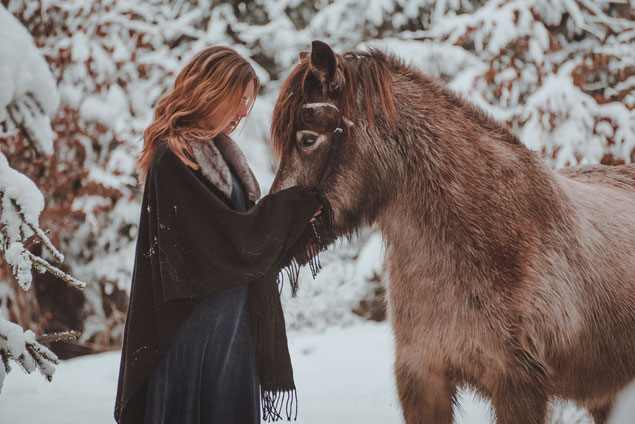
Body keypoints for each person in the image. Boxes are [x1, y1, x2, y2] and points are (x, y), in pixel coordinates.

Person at [114, 46, 324, 424]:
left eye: (248, 101)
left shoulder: (223, 157)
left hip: (234, 328)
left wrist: (304, 214)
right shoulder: (172, 159)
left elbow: (246, 239)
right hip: (193, 334)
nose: (244, 112)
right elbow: (223, 238)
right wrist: (292, 207)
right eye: (240, 99)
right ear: (210, 91)